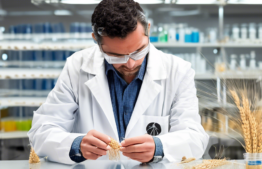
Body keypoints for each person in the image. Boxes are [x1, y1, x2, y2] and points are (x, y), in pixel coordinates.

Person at [28, 0, 209, 165]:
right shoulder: (77, 67)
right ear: (96, 41)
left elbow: (194, 138)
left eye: (139, 51)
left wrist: (159, 147)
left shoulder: (177, 71)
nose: (130, 63)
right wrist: (76, 145)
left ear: (148, 30)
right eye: (116, 56)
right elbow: (42, 131)